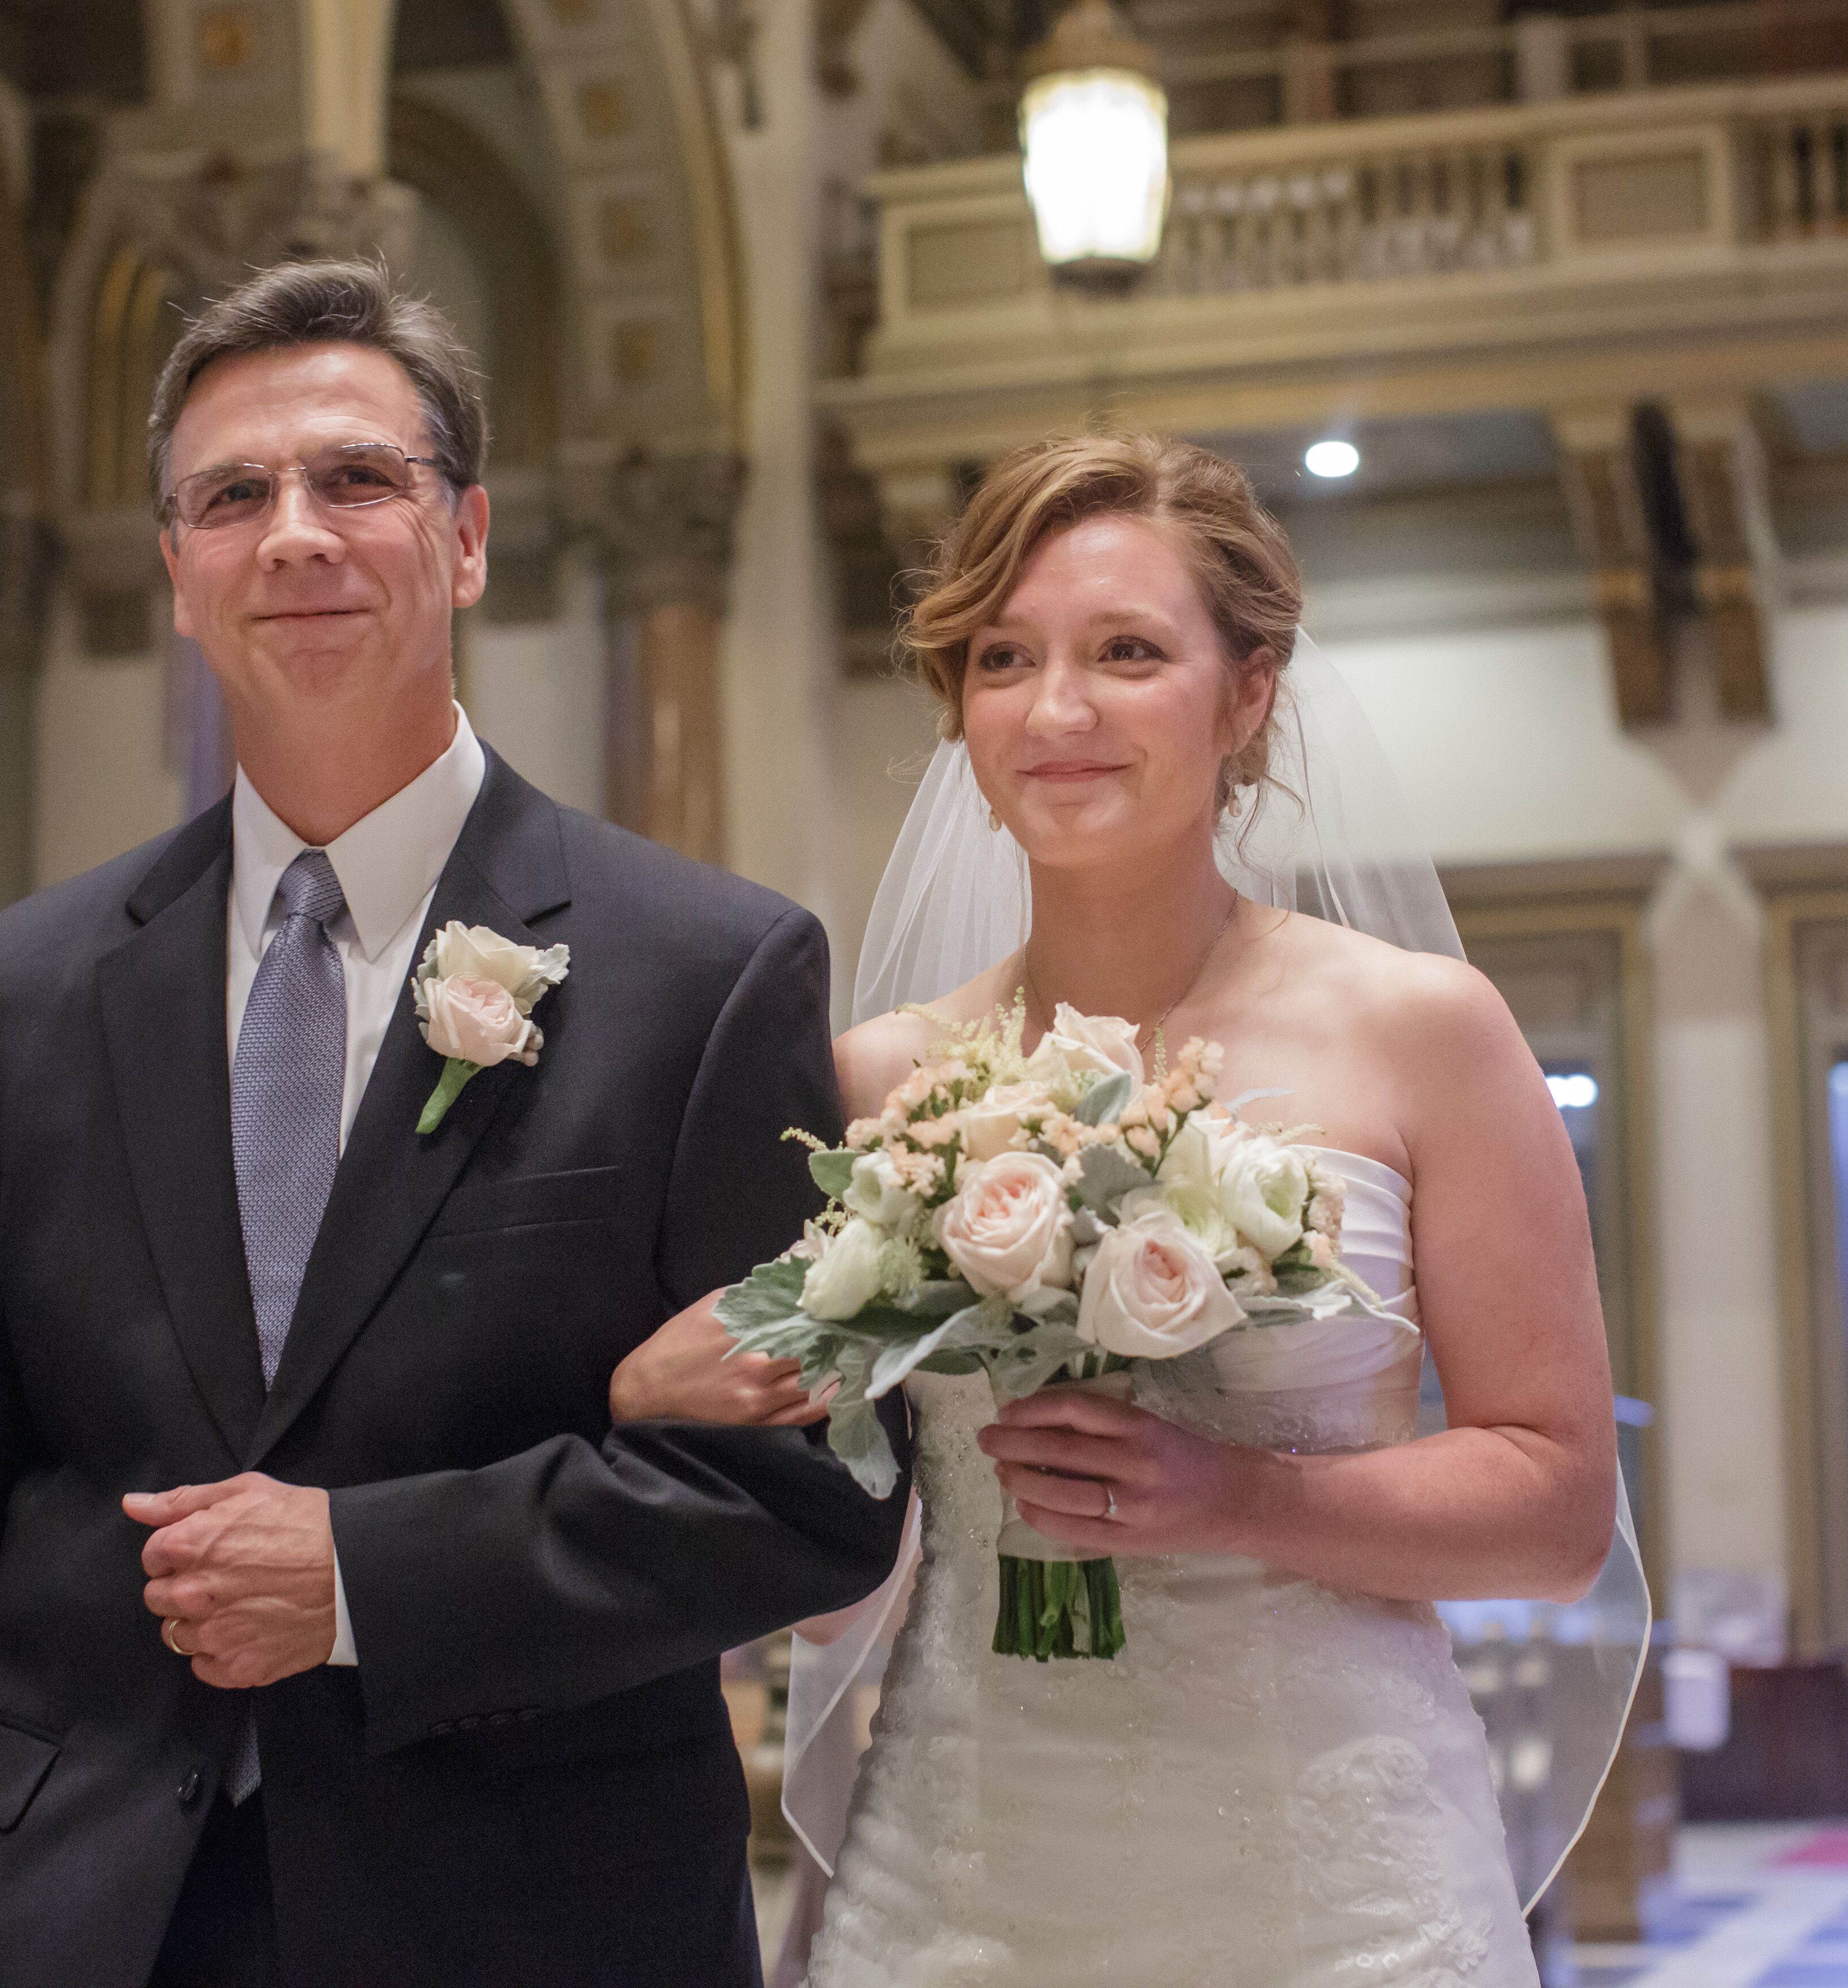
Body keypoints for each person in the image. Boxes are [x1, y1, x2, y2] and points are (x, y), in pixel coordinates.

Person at [0, 259, 906, 1988]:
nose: (292, 532)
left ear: (467, 539)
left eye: (355, 478)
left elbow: (804, 1500)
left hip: (528, 1913)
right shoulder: (20, 993)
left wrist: (368, 1572)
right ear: (174, 572)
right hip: (84, 1916)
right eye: (231, 495)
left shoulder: (705, 973)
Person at [614, 431, 1623, 1984]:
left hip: (1325, 1881)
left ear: (1247, 693)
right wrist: (700, 1397)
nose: (1056, 709)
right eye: (1002, 657)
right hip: (962, 1865)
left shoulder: (1422, 1031)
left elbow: (1555, 1511)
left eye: (1126, 651)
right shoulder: (874, 1082)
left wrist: (1236, 1496)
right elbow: (843, 1578)